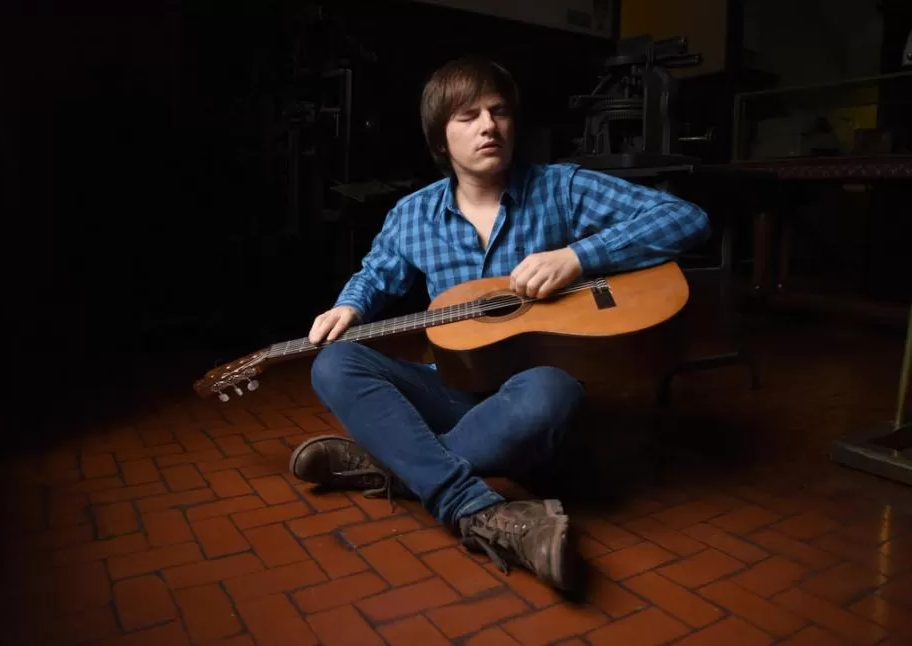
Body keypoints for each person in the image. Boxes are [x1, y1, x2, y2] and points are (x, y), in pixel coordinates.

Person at [287, 56, 710, 591]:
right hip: (450, 384)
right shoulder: (412, 214)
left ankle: (393, 464)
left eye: (499, 111)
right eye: (468, 116)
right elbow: (375, 275)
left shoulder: (561, 188)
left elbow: (688, 218)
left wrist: (581, 257)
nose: (489, 125)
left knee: (552, 394)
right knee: (335, 363)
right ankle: (467, 501)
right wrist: (350, 305)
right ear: (441, 140)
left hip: (529, 390)